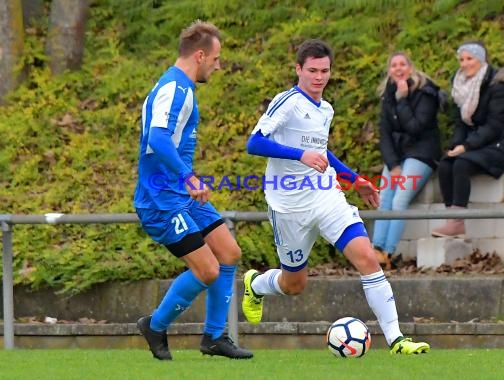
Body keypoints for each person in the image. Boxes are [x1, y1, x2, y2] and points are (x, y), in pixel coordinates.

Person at [242, 39, 430, 355]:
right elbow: (254, 143)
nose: (319, 77)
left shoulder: (325, 109)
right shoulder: (286, 102)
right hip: (288, 206)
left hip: (326, 196)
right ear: (298, 69)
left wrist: (355, 180)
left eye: (325, 71)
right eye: (312, 70)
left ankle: (397, 340)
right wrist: (300, 154)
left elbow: (322, 151)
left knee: (368, 258)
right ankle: (256, 285)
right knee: (294, 285)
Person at [133, 20, 253, 360]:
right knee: (207, 270)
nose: (218, 66)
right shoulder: (175, 89)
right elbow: (157, 138)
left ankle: (214, 338)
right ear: (200, 55)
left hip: (179, 194)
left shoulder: (180, 87)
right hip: (162, 200)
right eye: (215, 59)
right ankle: (155, 326)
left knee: (229, 252)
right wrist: (189, 177)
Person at [431, 41, 504, 237]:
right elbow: (461, 123)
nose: (464, 64)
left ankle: (457, 222)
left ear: (481, 60)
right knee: (446, 164)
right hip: (474, 145)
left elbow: (495, 125)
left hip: (499, 144)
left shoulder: (498, 87)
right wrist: (456, 145)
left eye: (469, 59)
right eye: (461, 59)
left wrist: (467, 146)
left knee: (461, 164)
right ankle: (451, 219)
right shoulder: (461, 86)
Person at [372, 52, 442, 269]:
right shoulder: (388, 95)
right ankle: (375, 250)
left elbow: (416, 127)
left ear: (410, 68)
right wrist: (392, 165)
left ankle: (388, 252)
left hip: (421, 153)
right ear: (389, 70)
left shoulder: (426, 92)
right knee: (384, 199)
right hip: (398, 156)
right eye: (394, 65)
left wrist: (403, 101)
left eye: (403, 64)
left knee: (399, 200)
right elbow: (384, 134)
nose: (398, 68)